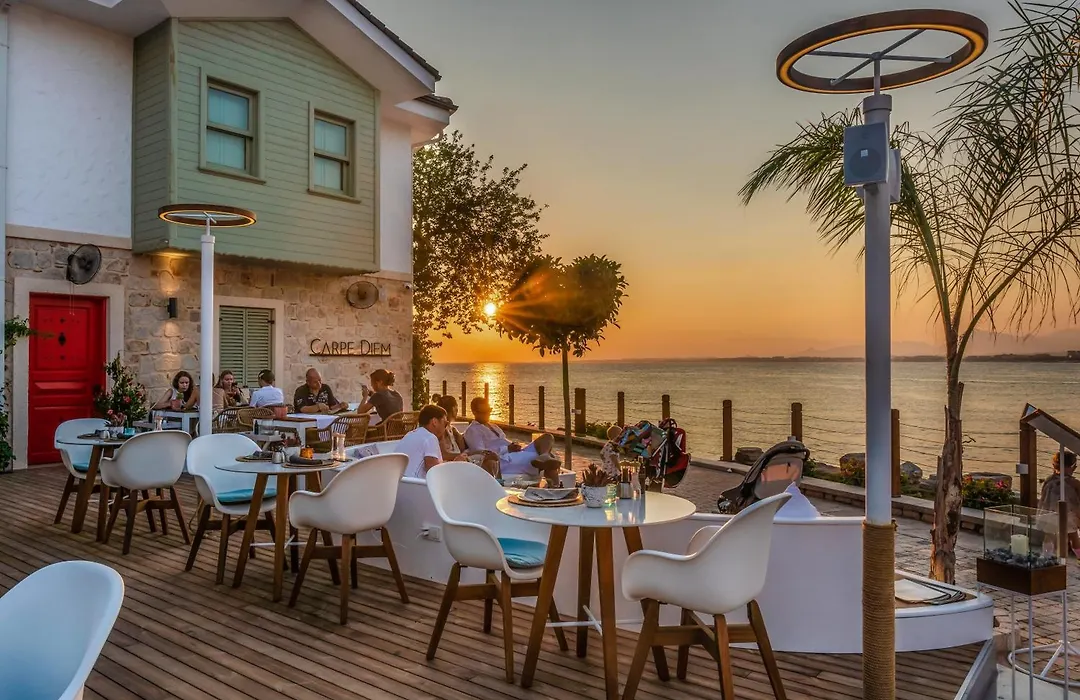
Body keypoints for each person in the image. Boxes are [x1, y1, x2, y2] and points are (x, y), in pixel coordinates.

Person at [463, 397, 560, 478]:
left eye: (489, 410)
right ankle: (554, 484)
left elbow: (504, 441)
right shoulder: (472, 431)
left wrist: (514, 445)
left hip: (514, 454)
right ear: (474, 412)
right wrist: (507, 449)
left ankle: (544, 455)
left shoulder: (493, 426)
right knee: (549, 459)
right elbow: (482, 454)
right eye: (484, 412)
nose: (488, 414)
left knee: (547, 438)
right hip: (504, 460)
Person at [436, 395, 501, 476]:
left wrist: (479, 452)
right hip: (453, 462)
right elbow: (444, 454)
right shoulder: (442, 430)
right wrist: (465, 455)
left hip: (460, 458)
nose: (457, 410)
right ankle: (494, 481)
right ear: (453, 409)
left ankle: (495, 480)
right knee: (489, 458)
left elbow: (462, 447)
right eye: (456, 407)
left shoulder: (452, 429)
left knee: (490, 455)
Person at [398, 404, 467, 479]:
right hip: (416, 484)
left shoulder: (409, 435)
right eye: (445, 423)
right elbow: (434, 473)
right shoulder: (430, 438)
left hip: (401, 483)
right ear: (434, 422)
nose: (446, 427)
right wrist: (456, 463)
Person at [1039, 449, 1080, 555]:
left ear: (1054, 465)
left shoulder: (1049, 480)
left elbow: (1043, 498)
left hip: (1050, 514)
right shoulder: (1074, 483)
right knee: (1074, 537)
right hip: (1069, 515)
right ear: (1073, 467)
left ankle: (1046, 556)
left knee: (1049, 536)